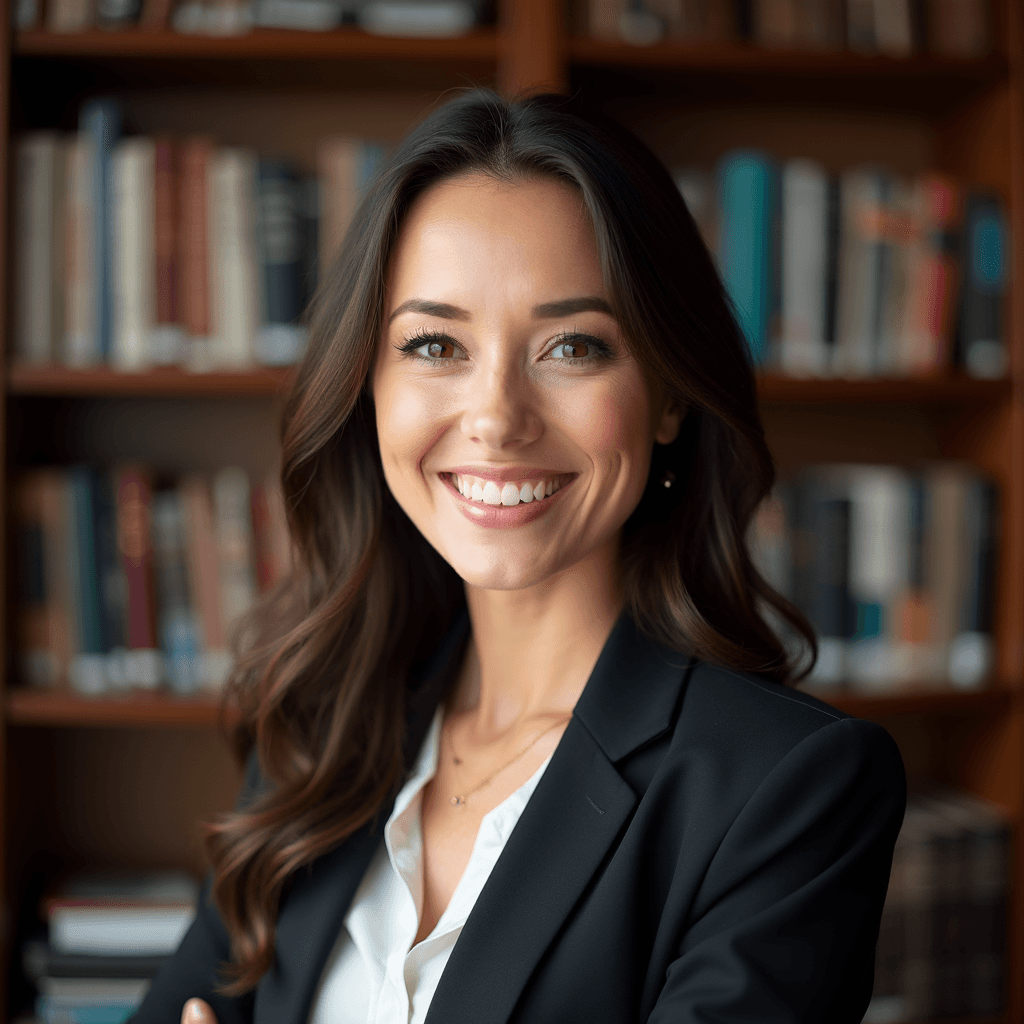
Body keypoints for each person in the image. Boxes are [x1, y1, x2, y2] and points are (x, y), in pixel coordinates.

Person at [132, 90, 906, 1024]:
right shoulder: (323, 730)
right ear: (366, 387)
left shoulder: (787, 790)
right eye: (434, 345)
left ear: (666, 398)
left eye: (572, 346)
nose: (497, 417)